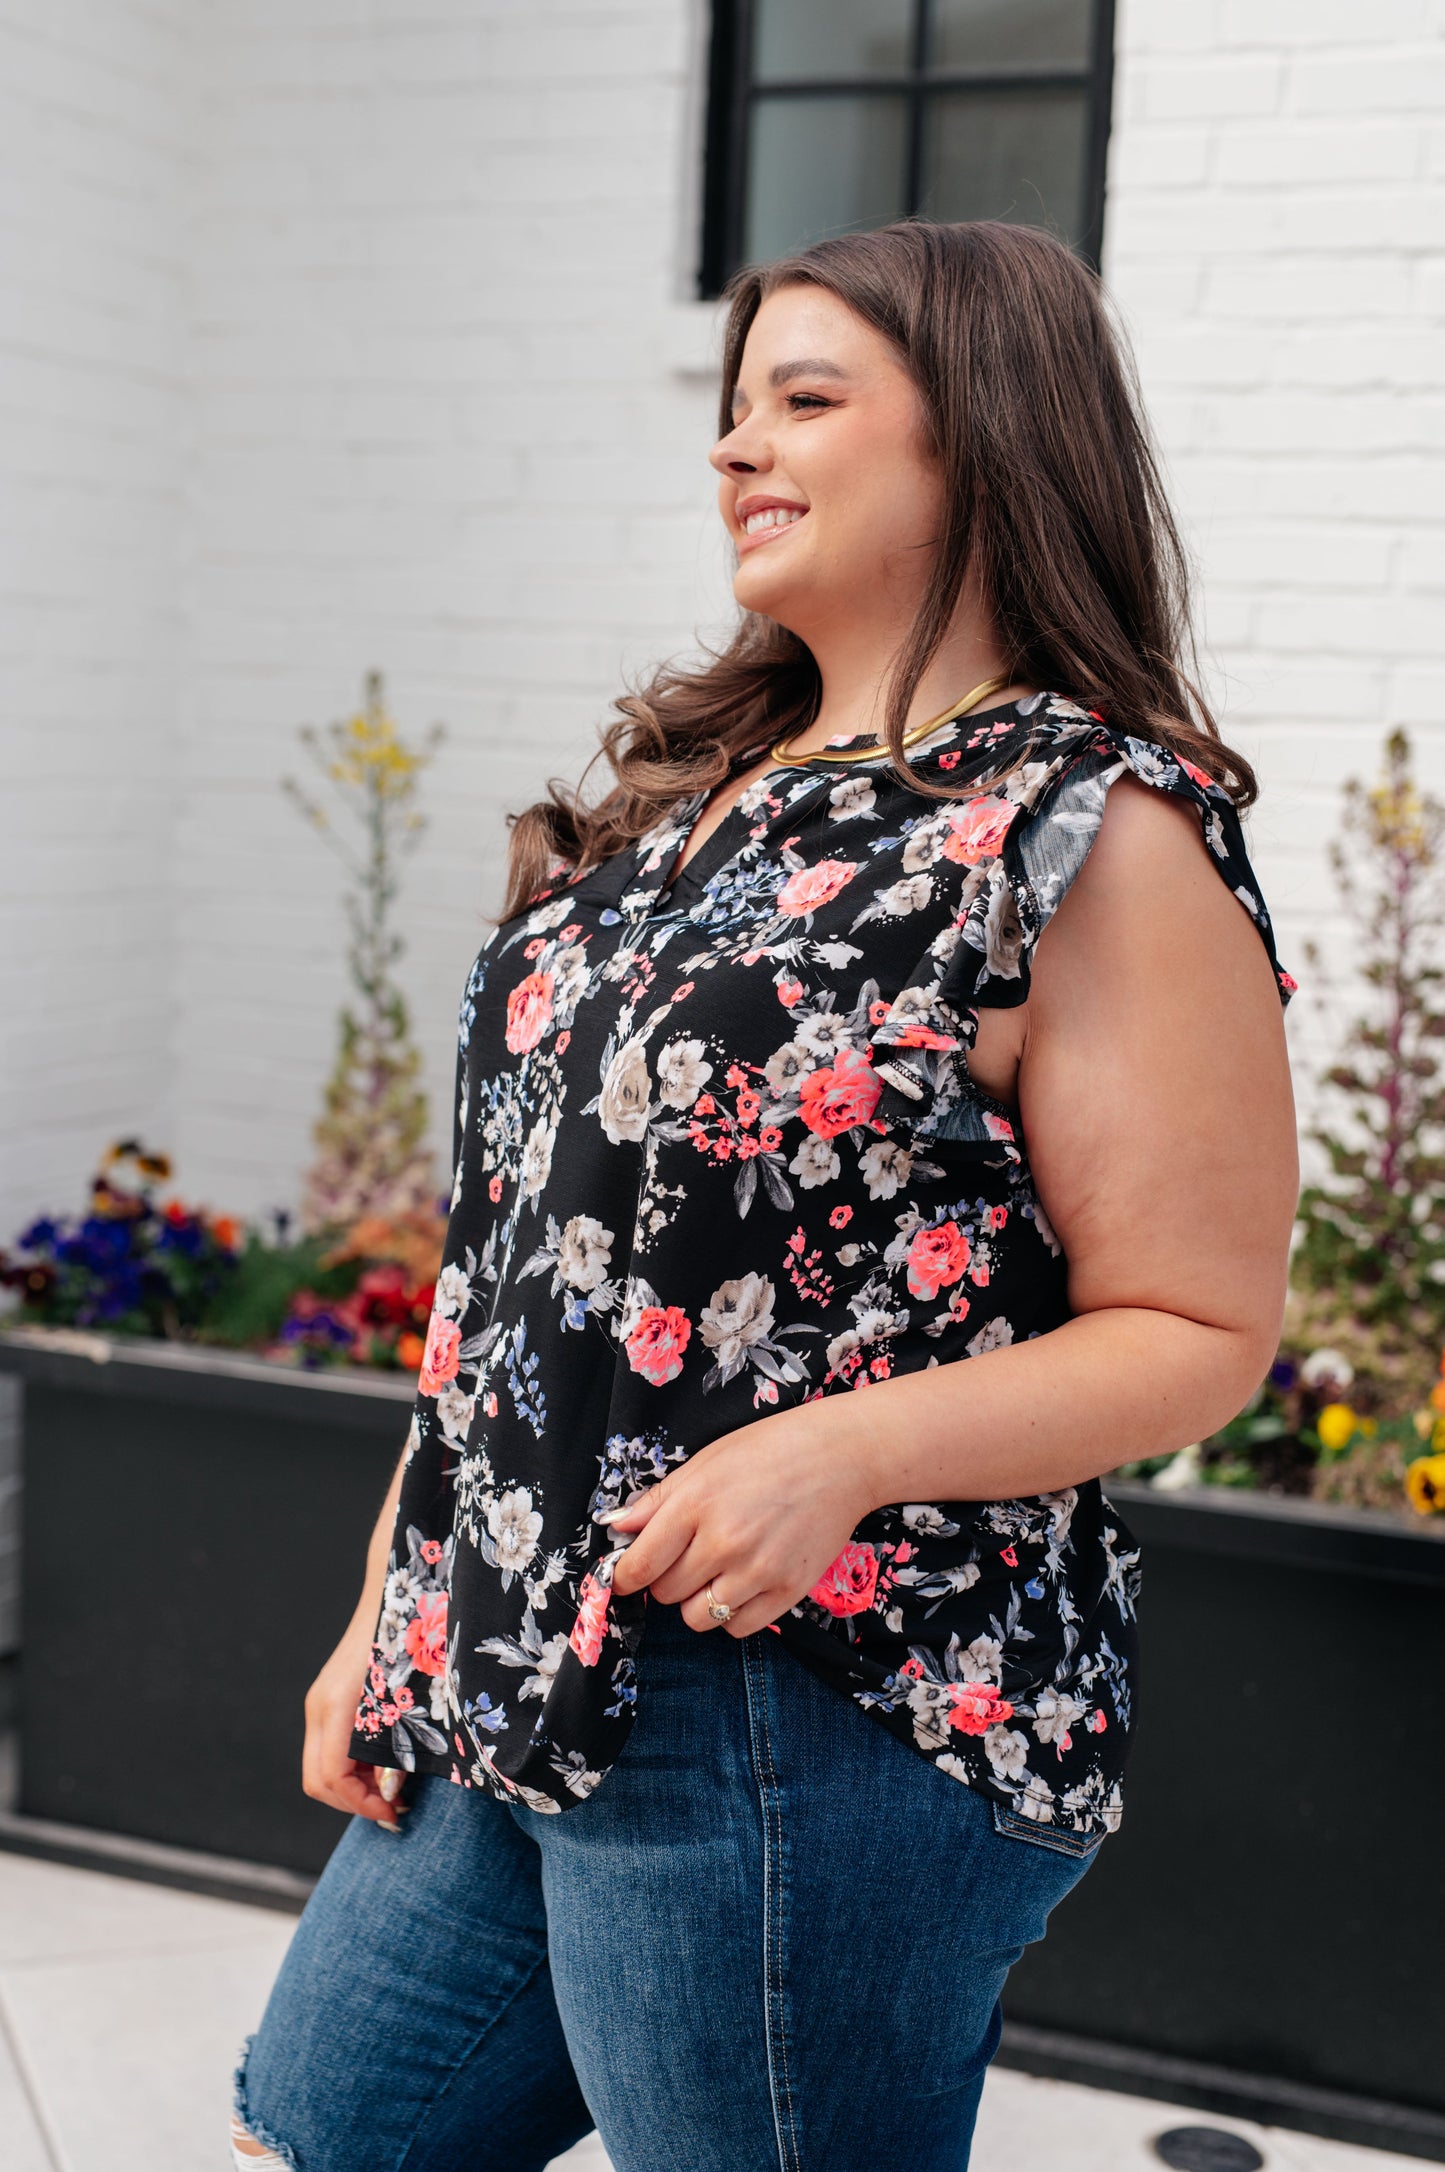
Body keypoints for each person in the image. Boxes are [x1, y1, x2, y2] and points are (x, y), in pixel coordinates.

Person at [231, 219, 1297, 2172]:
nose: (737, 449)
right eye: (732, 410)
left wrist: (842, 1455)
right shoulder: (698, 792)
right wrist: (389, 1604)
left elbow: (1202, 1326)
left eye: (807, 401)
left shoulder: (1089, 832)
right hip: (508, 1667)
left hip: (803, 1716)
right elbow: (518, 1275)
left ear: (986, 438)